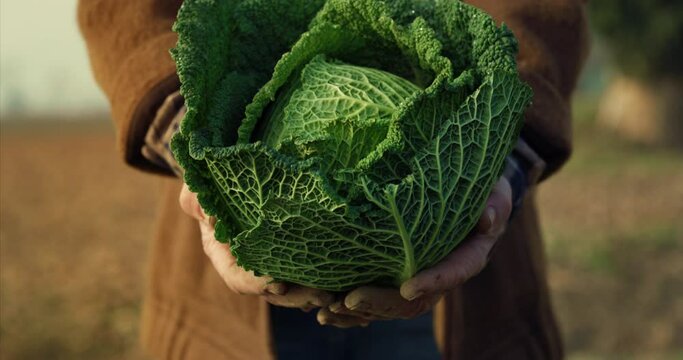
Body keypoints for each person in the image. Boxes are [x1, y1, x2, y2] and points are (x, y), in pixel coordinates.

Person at [79, 0, 588, 358]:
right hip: (221, 307)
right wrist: (199, 156)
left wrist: (498, 156)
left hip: (472, 298)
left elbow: (540, 11)